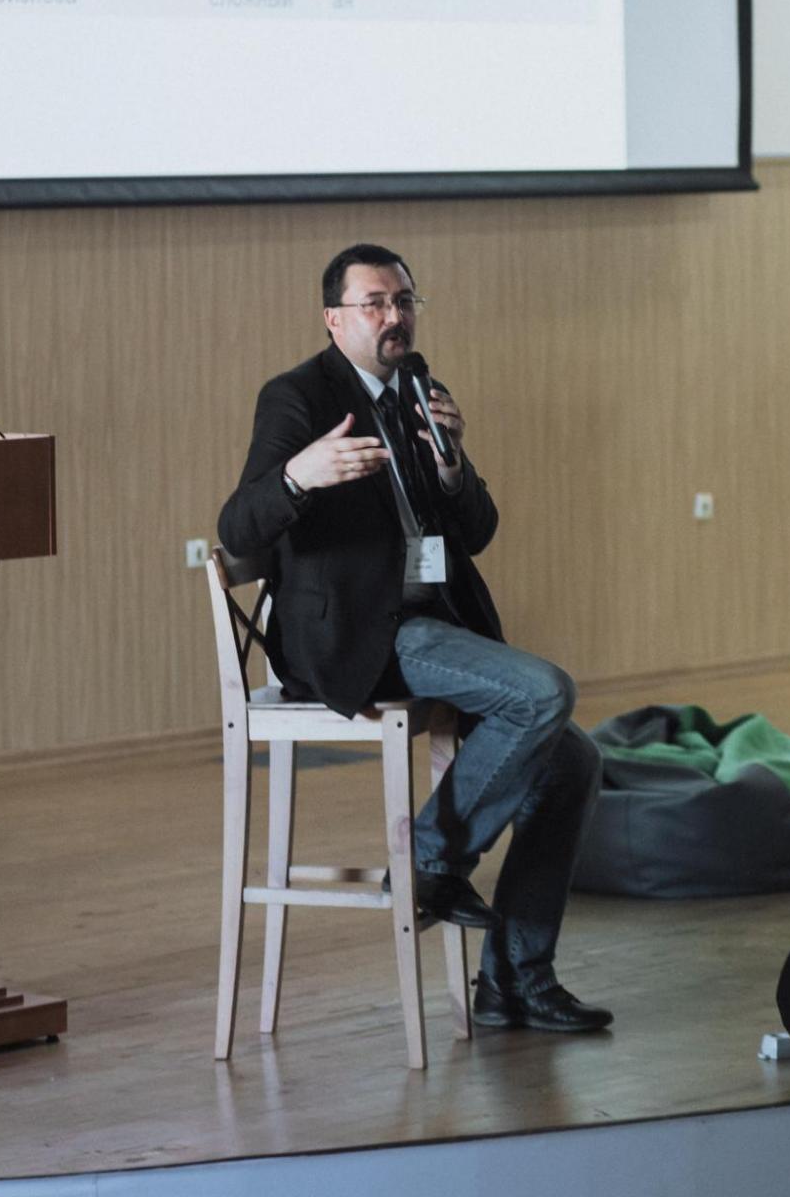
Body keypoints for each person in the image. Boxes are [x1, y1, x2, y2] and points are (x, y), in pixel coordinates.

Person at [218, 242, 611, 1034]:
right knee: (543, 691)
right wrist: (299, 476)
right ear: (335, 319)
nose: (393, 317)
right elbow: (237, 527)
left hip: (430, 622)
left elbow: (479, 532)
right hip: (354, 633)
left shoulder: (420, 391)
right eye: (374, 304)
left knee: (573, 761)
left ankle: (513, 981)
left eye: (403, 301)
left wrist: (453, 465)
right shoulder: (296, 397)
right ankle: (428, 859)